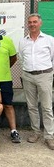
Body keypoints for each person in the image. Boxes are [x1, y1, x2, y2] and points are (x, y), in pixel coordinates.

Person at [18, 13, 54, 150]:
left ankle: (49, 136)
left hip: (44, 75)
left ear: (40, 23)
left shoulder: (49, 40)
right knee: (32, 106)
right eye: (30, 22)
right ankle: (36, 132)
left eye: (34, 22)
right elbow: (22, 58)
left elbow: (53, 58)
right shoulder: (23, 41)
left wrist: (49, 73)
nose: (32, 24)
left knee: (47, 107)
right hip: (28, 76)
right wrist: (28, 71)